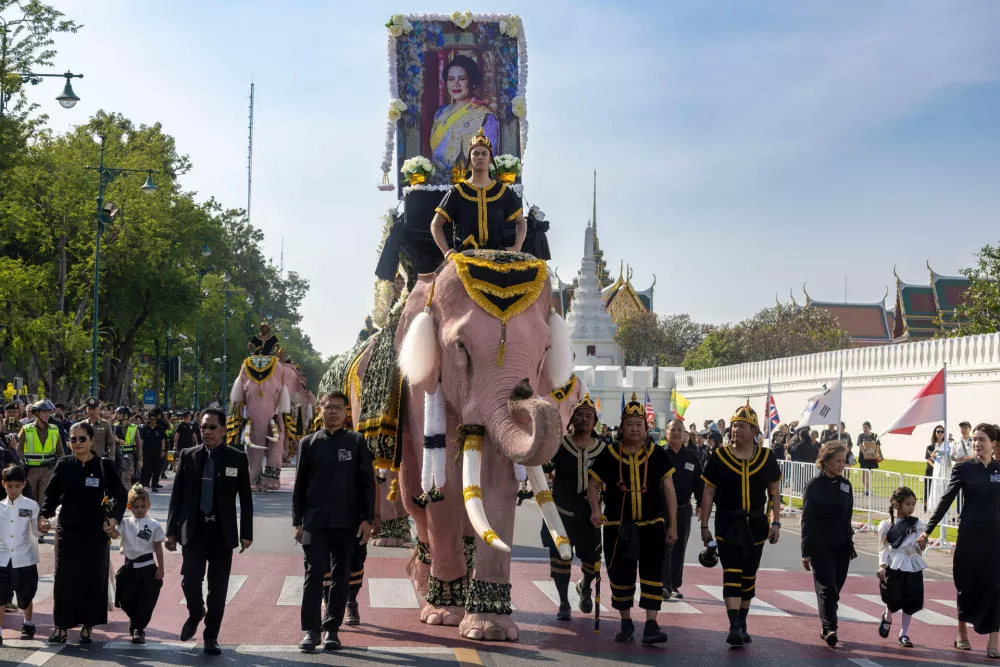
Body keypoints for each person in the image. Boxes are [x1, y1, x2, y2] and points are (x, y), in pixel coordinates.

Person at [587, 393, 678, 645]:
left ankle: (651, 625)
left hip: (652, 525)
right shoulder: (610, 453)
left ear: (646, 428)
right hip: (618, 526)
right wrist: (596, 510)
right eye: (630, 423)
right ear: (622, 427)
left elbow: (669, 490)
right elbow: (593, 485)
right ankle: (625, 623)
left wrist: (673, 525)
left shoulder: (658, 454)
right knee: (620, 573)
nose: (635, 428)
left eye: (639, 424)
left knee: (652, 573)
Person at [166, 408, 253, 655]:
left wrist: (247, 532)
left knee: (218, 589)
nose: (207, 432)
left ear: (224, 430)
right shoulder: (188, 456)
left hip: (221, 533)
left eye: (213, 427)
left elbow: (245, 499)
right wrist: (171, 531)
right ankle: (196, 611)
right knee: (190, 580)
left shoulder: (237, 459)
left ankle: (211, 635)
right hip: (193, 531)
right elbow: (176, 497)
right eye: (203, 427)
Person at [293, 392, 374, 652]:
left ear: (345, 412)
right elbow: (299, 487)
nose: (334, 412)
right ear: (320, 409)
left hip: (346, 522)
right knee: (313, 575)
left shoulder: (356, 442)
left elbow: (367, 486)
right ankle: (311, 631)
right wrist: (298, 522)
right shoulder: (308, 443)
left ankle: (331, 630)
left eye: (339, 408)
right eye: (329, 407)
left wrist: (367, 520)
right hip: (315, 523)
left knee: (341, 576)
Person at [699, 402, 783, 647]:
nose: (736, 430)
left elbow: (775, 493)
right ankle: (734, 625)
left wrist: (776, 522)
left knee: (749, 576)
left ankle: (743, 622)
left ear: (754, 430)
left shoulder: (766, 457)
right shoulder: (719, 457)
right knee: (732, 572)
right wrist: (704, 526)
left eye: (742, 426)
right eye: (734, 425)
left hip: (757, 525)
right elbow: (708, 493)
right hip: (727, 524)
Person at [40, 420, 127, 644]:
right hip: (67, 530)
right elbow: (51, 496)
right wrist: (44, 516)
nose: (77, 443)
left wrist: (115, 518)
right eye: (73, 439)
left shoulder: (103, 465)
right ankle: (61, 626)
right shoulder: (63, 464)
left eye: (82, 439)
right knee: (65, 578)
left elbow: (120, 494)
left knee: (92, 577)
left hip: (96, 532)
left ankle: (88, 625)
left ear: (91, 441)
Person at [921, 423, 1000, 658]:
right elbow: (946, 500)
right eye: (975, 439)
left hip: (995, 537)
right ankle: (962, 633)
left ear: (994, 443)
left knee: (995, 587)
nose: (976, 443)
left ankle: (993, 641)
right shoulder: (964, 469)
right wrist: (928, 530)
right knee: (966, 585)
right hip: (969, 535)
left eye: (982, 439)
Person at [540, 393, 605, 620]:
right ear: (572, 419)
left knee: (592, 562)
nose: (584, 419)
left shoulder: (603, 449)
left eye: (588, 416)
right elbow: (544, 465)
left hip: (590, 514)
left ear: (594, 422)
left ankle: (585, 587)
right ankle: (564, 603)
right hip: (561, 512)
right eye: (579, 415)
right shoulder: (560, 444)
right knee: (561, 558)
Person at [430, 127, 526, 255]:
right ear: (469, 158)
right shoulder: (457, 192)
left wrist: (517, 246)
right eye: (475, 153)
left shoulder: (502, 191)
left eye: (484, 153)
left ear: (490, 159)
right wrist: (446, 251)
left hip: (497, 256)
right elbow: (435, 225)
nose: (480, 157)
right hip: (465, 257)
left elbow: (521, 222)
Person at [800, 441, 855, 647]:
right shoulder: (813, 486)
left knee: (835, 588)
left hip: (842, 544)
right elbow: (806, 519)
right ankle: (831, 627)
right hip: (820, 544)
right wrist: (806, 551)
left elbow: (847, 516)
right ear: (826, 461)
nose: (842, 465)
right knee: (826, 588)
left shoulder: (846, 486)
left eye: (844, 461)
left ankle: (826, 624)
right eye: (838, 461)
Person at [428, 54, 499, 180]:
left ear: (471, 82)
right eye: (451, 79)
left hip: (472, 183)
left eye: (461, 79)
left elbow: (489, 155)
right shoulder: (440, 113)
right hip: (437, 182)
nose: (455, 84)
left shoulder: (485, 115)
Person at [0, 465, 47, 644]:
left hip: (25, 558)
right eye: (9, 486)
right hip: (2, 559)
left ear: (23, 484)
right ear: (3, 484)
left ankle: (28, 623)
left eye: (17, 486)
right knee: (1, 596)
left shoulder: (31, 505)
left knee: (26, 593)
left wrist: (43, 529)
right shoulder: (0, 508)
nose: (13, 490)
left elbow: (36, 531)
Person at [876, 486, 927, 649]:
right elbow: (883, 548)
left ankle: (903, 633)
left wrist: (923, 545)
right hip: (894, 564)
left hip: (912, 564)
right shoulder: (886, 525)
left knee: (911, 599)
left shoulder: (917, 523)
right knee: (893, 597)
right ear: (897, 505)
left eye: (913, 504)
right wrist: (882, 566)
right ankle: (888, 616)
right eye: (908, 504)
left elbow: (920, 548)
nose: (911, 508)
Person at [115, 483, 165, 644]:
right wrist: (109, 528)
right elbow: (116, 535)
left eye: (143, 506)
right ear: (129, 507)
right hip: (129, 567)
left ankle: (139, 628)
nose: (140, 510)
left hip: (147, 567)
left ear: (148, 506)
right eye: (135, 507)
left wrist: (161, 569)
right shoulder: (125, 523)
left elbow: (158, 547)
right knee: (126, 599)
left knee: (146, 600)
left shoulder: (154, 525)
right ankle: (134, 621)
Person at [661, 418, 703, 601]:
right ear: (666, 433)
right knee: (664, 546)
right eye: (672, 430)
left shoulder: (691, 457)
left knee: (679, 547)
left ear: (685, 433)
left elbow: (698, 483)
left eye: (680, 430)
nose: (676, 433)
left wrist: (701, 504)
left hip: (684, 509)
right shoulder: (659, 454)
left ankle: (675, 585)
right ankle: (664, 584)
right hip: (662, 510)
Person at [15, 400, 63, 517]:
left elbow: (60, 451)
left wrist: (63, 467)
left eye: (48, 412)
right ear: (36, 413)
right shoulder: (27, 428)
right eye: (43, 412)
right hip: (31, 469)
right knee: (28, 498)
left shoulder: (54, 429)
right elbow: (18, 449)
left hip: (48, 469)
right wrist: (20, 465)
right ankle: (26, 525)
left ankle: (40, 528)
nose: (47, 415)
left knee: (43, 498)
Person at [139, 409, 169, 492]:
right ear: (149, 419)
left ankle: (154, 485)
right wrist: (140, 451)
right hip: (147, 452)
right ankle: (146, 483)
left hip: (157, 452)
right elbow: (141, 440)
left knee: (156, 470)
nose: (153, 421)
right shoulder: (144, 428)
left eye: (155, 419)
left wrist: (163, 450)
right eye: (151, 419)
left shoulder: (160, 429)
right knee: (147, 469)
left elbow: (163, 440)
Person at [116, 407, 142, 488]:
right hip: (117, 456)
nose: (118, 415)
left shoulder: (134, 427)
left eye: (120, 414)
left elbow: (139, 445)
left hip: (129, 456)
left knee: (127, 477)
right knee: (118, 477)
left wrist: (140, 459)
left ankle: (126, 497)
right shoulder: (114, 427)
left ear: (126, 415)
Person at [857, 421, 883, 496]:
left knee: (870, 473)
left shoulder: (875, 435)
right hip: (864, 457)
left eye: (866, 428)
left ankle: (869, 489)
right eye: (863, 428)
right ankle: (866, 489)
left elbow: (878, 445)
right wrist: (864, 453)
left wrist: (876, 453)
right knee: (865, 472)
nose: (864, 429)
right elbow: (860, 445)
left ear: (870, 428)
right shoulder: (861, 436)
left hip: (872, 457)